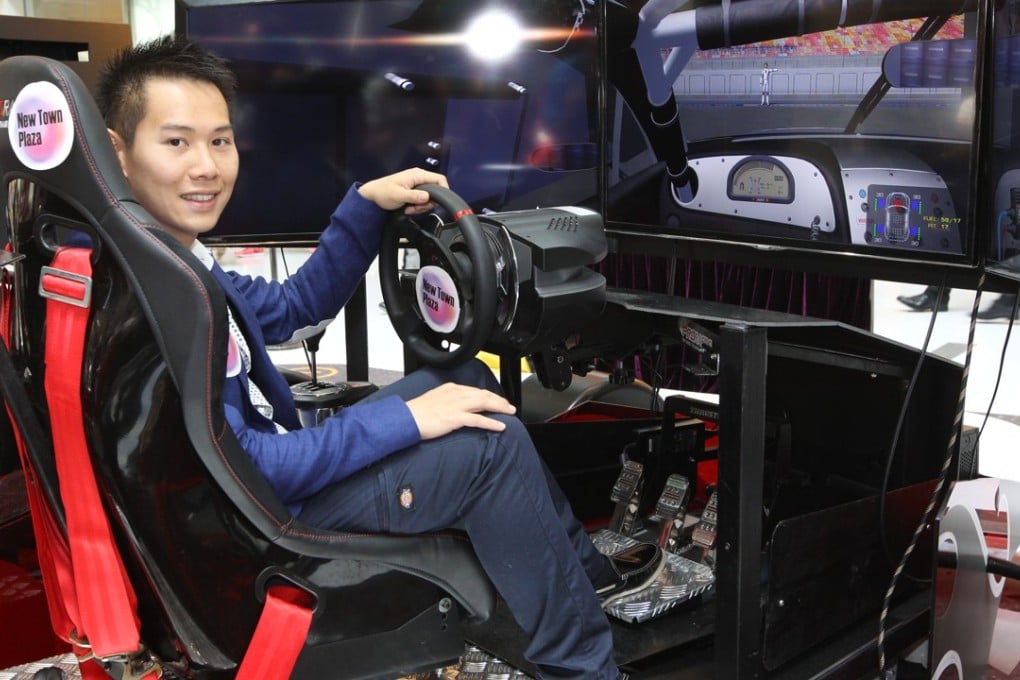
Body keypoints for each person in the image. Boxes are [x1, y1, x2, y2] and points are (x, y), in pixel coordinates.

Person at [95, 35, 662, 679]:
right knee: (489, 446)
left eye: (219, 141)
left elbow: (289, 308)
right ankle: (585, 666)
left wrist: (365, 206)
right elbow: (257, 467)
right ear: (118, 151)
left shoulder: (169, 257)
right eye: (176, 142)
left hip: (255, 489)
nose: (206, 166)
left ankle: (584, 581)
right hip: (268, 517)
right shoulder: (167, 298)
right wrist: (411, 421)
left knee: (464, 376)